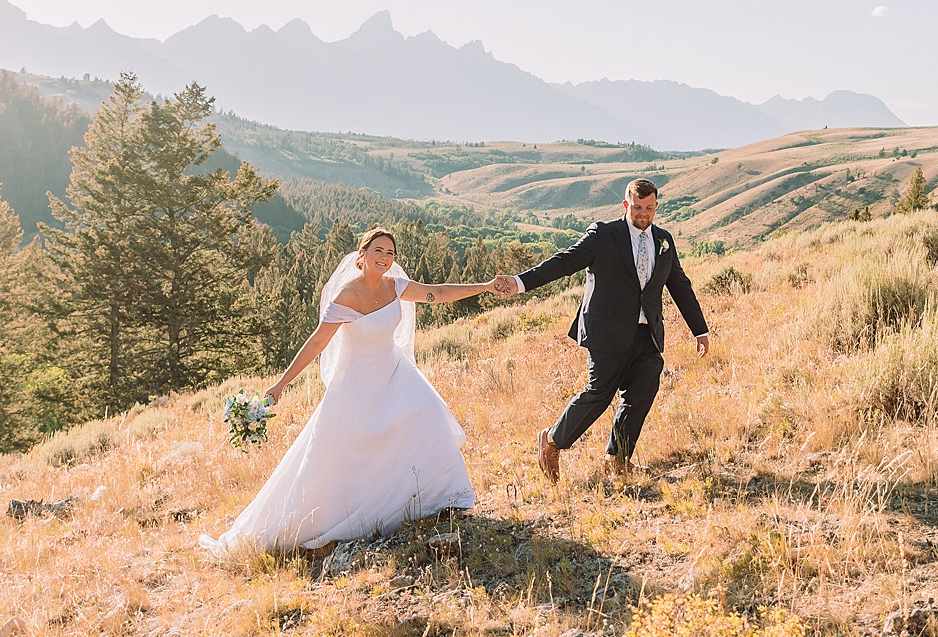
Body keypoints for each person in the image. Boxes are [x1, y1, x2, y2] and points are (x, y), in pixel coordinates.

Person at [200, 228, 517, 555]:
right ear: (362, 255)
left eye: (391, 253)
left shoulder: (396, 286)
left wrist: (484, 287)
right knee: (340, 458)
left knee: (429, 414)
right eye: (378, 250)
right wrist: (282, 383)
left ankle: (441, 499)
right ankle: (326, 520)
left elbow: (436, 293)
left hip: (394, 373)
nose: (385, 257)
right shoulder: (347, 296)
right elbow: (318, 342)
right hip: (355, 386)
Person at [496, 178, 708, 480]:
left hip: (646, 333)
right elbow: (564, 262)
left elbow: (680, 286)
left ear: (656, 207)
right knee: (599, 393)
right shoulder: (604, 235)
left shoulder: (664, 241)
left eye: (649, 208)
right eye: (637, 207)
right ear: (626, 205)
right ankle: (552, 441)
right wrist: (519, 283)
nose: (643, 214)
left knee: (644, 386)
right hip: (607, 331)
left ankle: (617, 459)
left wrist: (700, 330)